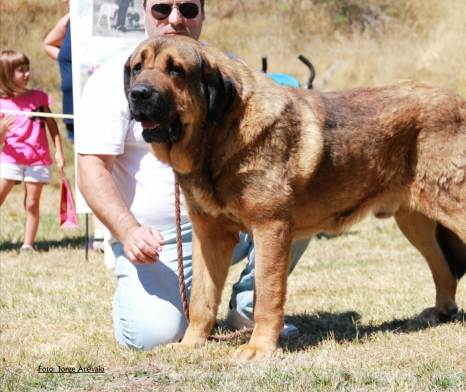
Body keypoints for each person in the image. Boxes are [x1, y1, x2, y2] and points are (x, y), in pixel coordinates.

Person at [77, 0, 311, 350]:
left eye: (186, 8)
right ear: (143, 12)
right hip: (156, 241)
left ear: (202, 13)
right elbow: (90, 168)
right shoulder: (111, 77)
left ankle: (249, 308)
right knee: (150, 336)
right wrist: (129, 232)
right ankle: (159, 296)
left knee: (293, 200)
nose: (174, 18)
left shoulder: (227, 71)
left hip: (229, 214)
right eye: (160, 9)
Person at [44, 0, 108, 251]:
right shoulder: (71, 22)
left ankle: (110, 229)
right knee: (88, 165)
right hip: (74, 108)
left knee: (109, 163)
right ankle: (100, 234)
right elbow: (50, 44)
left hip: (100, 103)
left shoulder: (103, 21)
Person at [0, 50, 65, 252]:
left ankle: (28, 245)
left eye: (27, 69)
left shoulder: (39, 98)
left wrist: (59, 151)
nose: (27, 74)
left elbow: (52, 125)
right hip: (10, 159)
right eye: (21, 71)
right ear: (6, 74)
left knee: (31, 203)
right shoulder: (2, 103)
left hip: (38, 160)